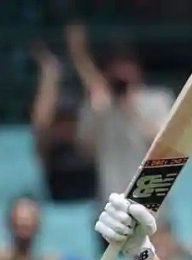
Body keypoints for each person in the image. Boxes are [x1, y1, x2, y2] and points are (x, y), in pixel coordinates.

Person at [65, 22, 173, 201]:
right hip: (110, 202)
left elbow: (165, 145)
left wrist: (129, 109)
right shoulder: (99, 106)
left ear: (137, 69)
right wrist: (98, 113)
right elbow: (84, 151)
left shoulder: (157, 100)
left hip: (153, 202)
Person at [31, 42, 97, 202]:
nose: (66, 126)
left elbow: (99, 103)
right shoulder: (48, 147)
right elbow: (40, 122)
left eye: (70, 122)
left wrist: (80, 57)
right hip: (56, 206)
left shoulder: (87, 145)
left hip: (93, 207)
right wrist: (50, 74)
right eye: (60, 122)